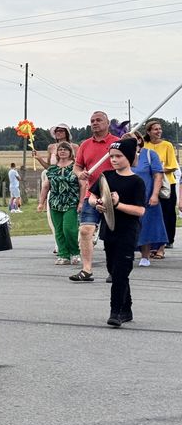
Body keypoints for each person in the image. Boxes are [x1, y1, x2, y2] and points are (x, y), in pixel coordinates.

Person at [87, 137, 146, 327]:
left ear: (128, 157)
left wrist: (117, 204)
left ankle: (116, 312)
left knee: (120, 273)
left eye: (118, 156)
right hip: (109, 229)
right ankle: (127, 309)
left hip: (128, 232)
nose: (113, 159)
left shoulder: (137, 182)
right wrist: (97, 203)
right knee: (113, 269)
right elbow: (92, 196)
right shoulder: (106, 176)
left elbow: (140, 210)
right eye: (111, 156)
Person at [69, 111, 120, 282]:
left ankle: (114, 270)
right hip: (92, 193)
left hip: (113, 194)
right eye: (92, 121)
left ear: (107, 123)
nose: (94, 123)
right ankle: (86, 270)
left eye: (98, 120)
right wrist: (80, 174)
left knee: (112, 234)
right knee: (85, 230)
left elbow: (131, 162)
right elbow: (77, 167)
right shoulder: (85, 144)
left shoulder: (117, 142)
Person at [36, 142, 81, 265]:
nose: (63, 151)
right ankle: (63, 254)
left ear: (70, 152)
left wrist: (81, 202)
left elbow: (83, 185)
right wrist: (41, 203)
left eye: (65, 149)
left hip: (71, 201)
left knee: (69, 229)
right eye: (60, 149)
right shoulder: (52, 169)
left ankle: (74, 252)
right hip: (55, 202)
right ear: (57, 153)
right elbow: (46, 186)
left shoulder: (76, 167)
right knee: (59, 230)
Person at [126, 131, 166, 266]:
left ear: (139, 140)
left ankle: (145, 256)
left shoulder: (150, 154)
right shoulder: (122, 156)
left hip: (146, 196)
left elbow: (158, 175)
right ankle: (127, 254)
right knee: (127, 227)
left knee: (147, 226)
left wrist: (154, 195)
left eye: (132, 139)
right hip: (127, 197)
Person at [143, 119, 179, 254]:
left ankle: (168, 239)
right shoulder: (145, 145)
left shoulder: (167, 145)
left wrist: (157, 169)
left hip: (166, 184)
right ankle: (151, 241)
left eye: (160, 129)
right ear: (148, 132)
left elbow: (173, 166)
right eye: (155, 129)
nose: (159, 131)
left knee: (167, 213)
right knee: (150, 212)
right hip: (149, 184)